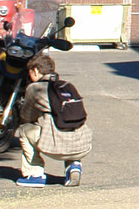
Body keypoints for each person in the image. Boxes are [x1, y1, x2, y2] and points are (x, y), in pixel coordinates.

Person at [13, 52, 91, 188]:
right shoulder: (68, 86)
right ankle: (74, 165)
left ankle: (35, 174)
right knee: (70, 128)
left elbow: (26, 116)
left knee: (25, 129)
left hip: (56, 147)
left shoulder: (35, 88)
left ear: (36, 71)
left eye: (30, 72)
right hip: (82, 145)